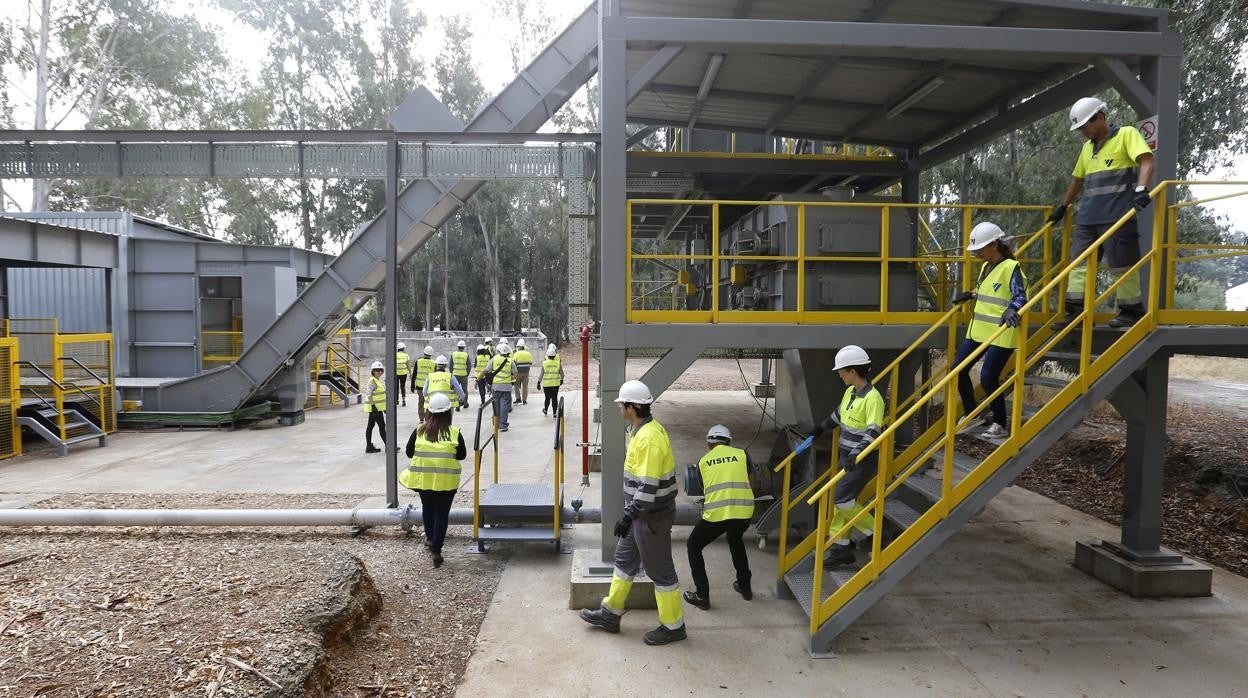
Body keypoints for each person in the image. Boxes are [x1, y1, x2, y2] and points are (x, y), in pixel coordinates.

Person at [580, 379, 686, 646]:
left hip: (651, 516)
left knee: (660, 571)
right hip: (641, 513)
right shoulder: (642, 429)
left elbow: (648, 486)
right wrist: (631, 514)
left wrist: (630, 514)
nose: (619, 409)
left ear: (630, 407)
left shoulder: (649, 439)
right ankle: (610, 613)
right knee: (624, 561)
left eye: (621, 405)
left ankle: (673, 626)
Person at [1048, 96, 1155, 329]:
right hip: (1088, 219)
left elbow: (1147, 161)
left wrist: (1141, 190)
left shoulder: (1126, 135)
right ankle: (1076, 313)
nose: (1083, 132)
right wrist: (1063, 207)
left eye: (1085, 126)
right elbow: (1077, 180)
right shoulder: (1087, 148)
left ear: (1101, 117)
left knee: (1122, 265)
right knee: (1077, 264)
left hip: (1118, 216)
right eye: (1080, 128)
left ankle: (1131, 311)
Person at [793, 345, 885, 569]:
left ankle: (874, 533)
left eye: (842, 371)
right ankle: (841, 549)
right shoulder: (850, 392)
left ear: (853, 371)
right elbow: (837, 416)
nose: (839, 375)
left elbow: (874, 431)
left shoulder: (874, 399)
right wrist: (818, 430)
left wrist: (855, 455)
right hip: (848, 456)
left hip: (861, 460)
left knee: (842, 501)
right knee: (840, 503)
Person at [952, 222, 1028, 439]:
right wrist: (971, 294)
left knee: (988, 377)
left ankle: (1000, 424)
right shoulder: (987, 267)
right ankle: (972, 414)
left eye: (980, 249)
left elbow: (1019, 296)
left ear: (994, 244)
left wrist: (1012, 309)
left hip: (1002, 331)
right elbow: (989, 291)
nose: (976, 253)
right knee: (957, 370)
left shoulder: (1011, 268)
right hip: (979, 330)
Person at [683, 424, 754, 610]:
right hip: (744, 512)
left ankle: (702, 595)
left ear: (709, 444)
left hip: (717, 515)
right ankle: (745, 587)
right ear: (729, 441)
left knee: (694, 545)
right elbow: (752, 480)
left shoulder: (703, 461)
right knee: (735, 539)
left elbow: (703, 488)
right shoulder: (742, 455)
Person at [400, 393, 467, 568]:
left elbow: (408, 452)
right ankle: (437, 550)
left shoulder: (420, 430)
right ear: (449, 412)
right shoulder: (454, 433)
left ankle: (429, 539)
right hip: (446, 482)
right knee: (441, 514)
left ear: (428, 412)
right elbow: (462, 455)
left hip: (424, 481)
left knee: (427, 509)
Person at [487, 342, 515, 432]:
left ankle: (496, 423)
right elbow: (516, 374)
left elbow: (486, 370)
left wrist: (478, 379)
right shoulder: (510, 361)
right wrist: (511, 379)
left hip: (496, 386)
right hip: (506, 387)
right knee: (505, 406)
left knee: (496, 404)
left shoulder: (494, 359)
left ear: (499, 351)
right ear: (508, 352)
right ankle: (503, 425)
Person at [363, 360, 388, 453]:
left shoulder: (377, 381)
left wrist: (384, 408)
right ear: (373, 371)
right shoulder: (372, 381)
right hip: (374, 408)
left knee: (370, 426)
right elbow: (369, 394)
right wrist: (373, 406)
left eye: (381, 370)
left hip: (377, 408)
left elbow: (380, 396)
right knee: (382, 426)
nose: (380, 372)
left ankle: (369, 447)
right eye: (377, 370)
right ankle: (388, 446)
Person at [538, 343, 563, 418]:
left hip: (546, 384)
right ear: (555, 355)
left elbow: (541, 374)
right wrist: (561, 380)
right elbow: (562, 374)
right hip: (555, 383)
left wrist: (538, 383)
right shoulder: (558, 363)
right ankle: (555, 413)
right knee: (555, 398)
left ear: (547, 355)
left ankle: (545, 410)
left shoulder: (544, 363)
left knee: (547, 398)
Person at [413, 346, 436, 415]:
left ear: (424, 353)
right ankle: (427, 418)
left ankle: (421, 419)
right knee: (429, 402)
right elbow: (435, 375)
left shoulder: (418, 362)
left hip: (419, 385)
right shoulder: (434, 363)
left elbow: (414, 374)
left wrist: (412, 385)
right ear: (431, 354)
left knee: (421, 402)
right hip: (429, 386)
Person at [451, 340, 471, 410]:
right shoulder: (466, 355)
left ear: (458, 347)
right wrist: (467, 373)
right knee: (464, 390)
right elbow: (469, 366)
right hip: (464, 375)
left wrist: (452, 374)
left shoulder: (453, 354)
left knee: (456, 390)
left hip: (455, 375)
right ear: (464, 347)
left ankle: (457, 406)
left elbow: (450, 365)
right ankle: (465, 404)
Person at [512, 338, 534, 405]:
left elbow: (513, 363)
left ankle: (518, 398)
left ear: (518, 347)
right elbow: (530, 363)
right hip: (526, 372)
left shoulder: (516, 354)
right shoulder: (528, 353)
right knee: (525, 386)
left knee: (516, 385)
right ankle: (524, 400)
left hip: (518, 372)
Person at [395, 342, 410, 407]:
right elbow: (408, 365)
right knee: (402, 387)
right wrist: (410, 372)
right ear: (403, 348)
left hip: (395, 373)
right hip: (403, 373)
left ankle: (397, 400)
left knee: (396, 387)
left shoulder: (394, 355)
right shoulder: (406, 355)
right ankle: (403, 400)